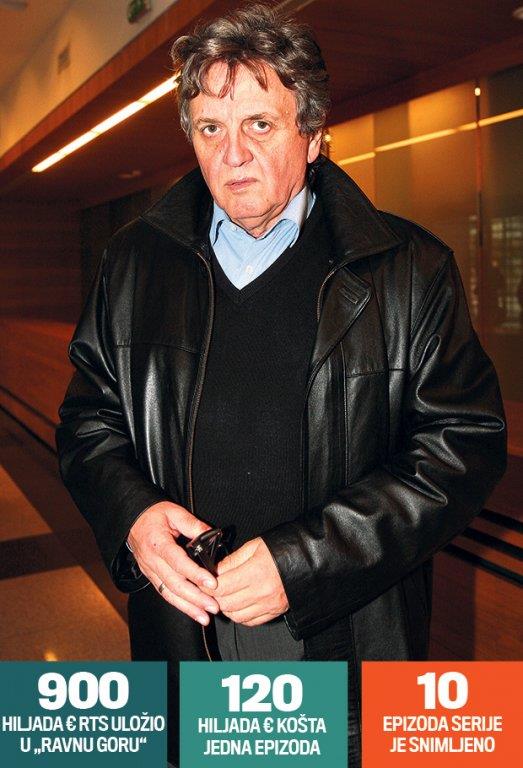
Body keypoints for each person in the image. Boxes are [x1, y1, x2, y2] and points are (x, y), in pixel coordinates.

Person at [55, 5, 507, 766]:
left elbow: (459, 449)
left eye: (259, 124)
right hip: (183, 629)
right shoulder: (134, 264)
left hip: (342, 634)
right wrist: (131, 517)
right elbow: (88, 421)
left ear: (314, 133)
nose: (232, 154)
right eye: (209, 128)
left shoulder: (408, 269)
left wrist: (301, 565)